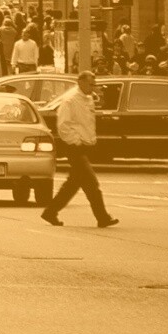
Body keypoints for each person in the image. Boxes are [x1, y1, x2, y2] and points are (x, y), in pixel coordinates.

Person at [42, 71, 118, 228]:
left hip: (85, 145)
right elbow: (63, 125)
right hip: (75, 147)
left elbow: (87, 123)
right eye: (90, 84)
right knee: (91, 183)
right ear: (80, 82)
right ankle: (102, 217)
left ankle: (50, 212)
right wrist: (76, 141)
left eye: (94, 84)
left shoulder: (88, 98)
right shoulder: (70, 100)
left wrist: (90, 140)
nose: (93, 88)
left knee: (73, 184)